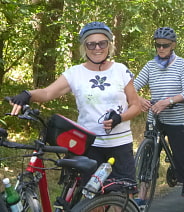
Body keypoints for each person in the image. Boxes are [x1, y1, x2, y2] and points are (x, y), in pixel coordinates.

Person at [8, 22, 141, 181]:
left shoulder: (120, 70)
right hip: (88, 145)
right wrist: (27, 94)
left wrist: (120, 118)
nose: (97, 48)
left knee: (123, 195)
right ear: (84, 47)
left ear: (109, 45)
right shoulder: (75, 73)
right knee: (91, 200)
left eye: (102, 43)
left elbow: (136, 105)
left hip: (120, 144)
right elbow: (47, 92)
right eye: (91, 44)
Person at [133, 27, 184, 212]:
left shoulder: (181, 64)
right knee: (148, 159)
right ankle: (141, 197)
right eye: (157, 45)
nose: (161, 49)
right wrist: (139, 99)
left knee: (183, 158)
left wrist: (169, 101)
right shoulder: (150, 65)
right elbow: (131, 86)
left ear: (173, 46)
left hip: (177, 118)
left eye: (165, 45)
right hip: (155, 117)